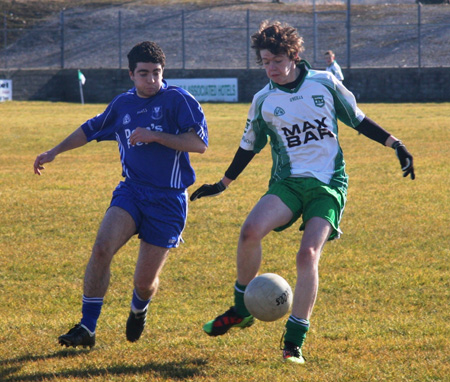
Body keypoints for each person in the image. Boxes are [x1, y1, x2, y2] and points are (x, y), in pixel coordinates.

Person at [190, 21, 414, 364]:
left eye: (276, 61)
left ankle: (294, 340)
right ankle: (241, 310)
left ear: (293, 56)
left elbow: (357, 119)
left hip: (328, 185)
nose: (271, 68)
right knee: (250, 231)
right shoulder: (263, 99)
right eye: (264, 62)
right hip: (289, 183)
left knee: (307, 254)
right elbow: (249, 146)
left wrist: (395, 143)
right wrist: (222, 184)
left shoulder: (324, 83)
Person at [33, 41, 208, 349]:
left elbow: (198, 143)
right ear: (131, 74)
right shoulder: (122, 105)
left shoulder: (178, 100)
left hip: (168, 201)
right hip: (131, 191)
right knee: (101, 248)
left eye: (156, 73)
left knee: (143, 282)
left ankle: (139, 309)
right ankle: (87, 327)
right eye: (144, 74)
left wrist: (155, 135)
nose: (151, 80)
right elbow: (90, 129)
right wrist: (54, 151)